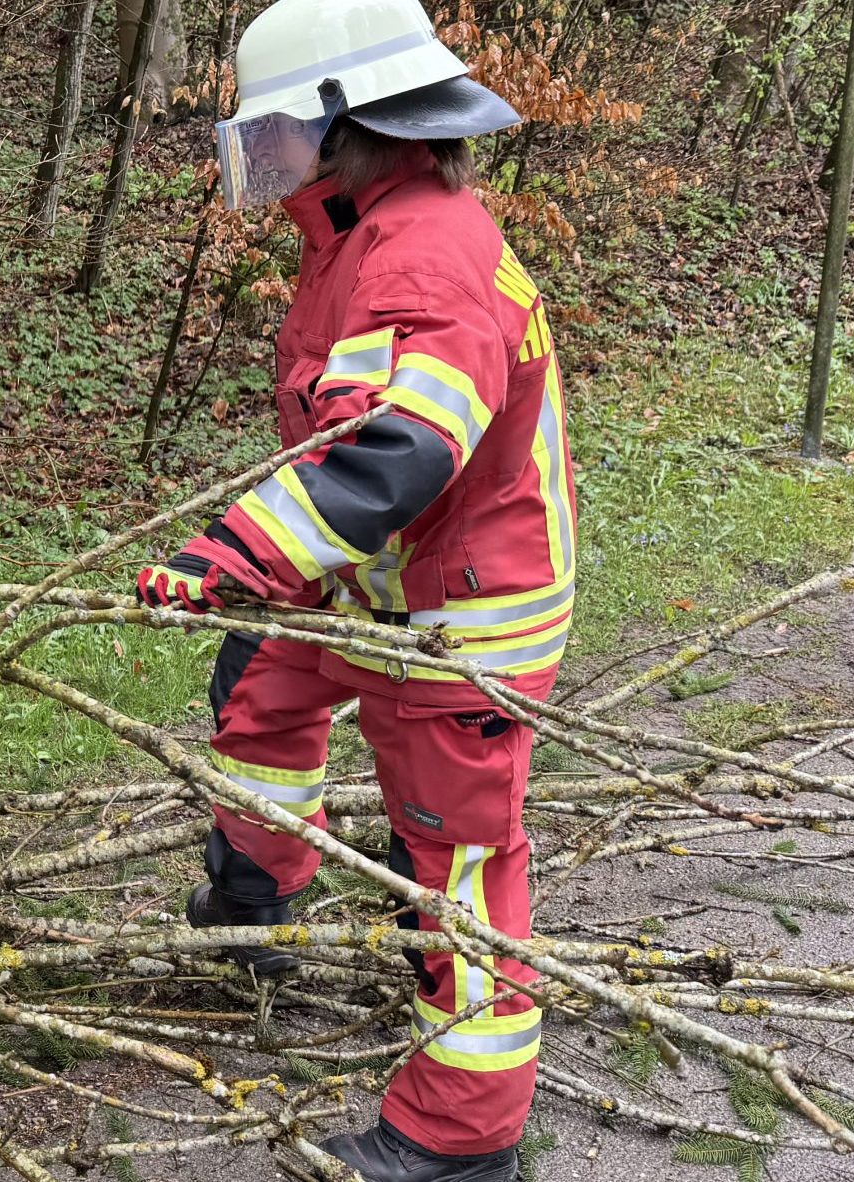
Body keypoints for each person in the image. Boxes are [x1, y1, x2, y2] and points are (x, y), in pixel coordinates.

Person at [132, 0, 575, 1177]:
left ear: (349, 124)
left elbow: (396, 452)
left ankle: (459, 1138)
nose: (268, 156)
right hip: (364, 584)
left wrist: (233, 555)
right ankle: (253, 907)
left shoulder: (421, 251)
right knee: (256, 702)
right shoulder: (361, 234)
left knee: (456, 870)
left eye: (280, 130)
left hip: (456, 620)